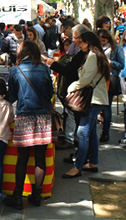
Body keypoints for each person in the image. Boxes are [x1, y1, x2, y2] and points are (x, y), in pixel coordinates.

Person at [5, 40, 54, 210]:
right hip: (43, 116)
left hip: (24, 116)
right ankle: (37, 195)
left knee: (22, 158)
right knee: (40, 157)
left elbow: (11, 97)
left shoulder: (15, 70)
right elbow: (50, 94)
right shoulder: (45, 69)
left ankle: (18, 196)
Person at [62, 31, 110, 178]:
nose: (77, 43)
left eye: (80, 41)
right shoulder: (94, 55)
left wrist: (71, 88)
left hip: (93, 99)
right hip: (96, 98)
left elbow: (85, 80)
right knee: (91, 132)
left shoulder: (93, 56)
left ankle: (77, 167)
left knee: (82, 132)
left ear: (87, 42)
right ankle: (93, 162)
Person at [44, 24, 91, 153]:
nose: (74, 41)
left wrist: (52, 63)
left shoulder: (86, 55)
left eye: (75, 38)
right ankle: (78, 148)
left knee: (77, 120)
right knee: (75, 118)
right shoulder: (78, 53)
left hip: (77, 91)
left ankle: (75, 146)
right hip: (72, 89)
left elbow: (73, 73)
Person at [96, 29, 125, 142]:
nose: (102, 43)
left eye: (103, 40)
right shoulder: (96, 48)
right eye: (100, 41)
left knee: (107, 106)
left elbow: (121, 64)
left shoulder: (116, 48)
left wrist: (109, 62)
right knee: (99, 106)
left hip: (110, 78)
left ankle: (106, 132)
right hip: (98, 78)